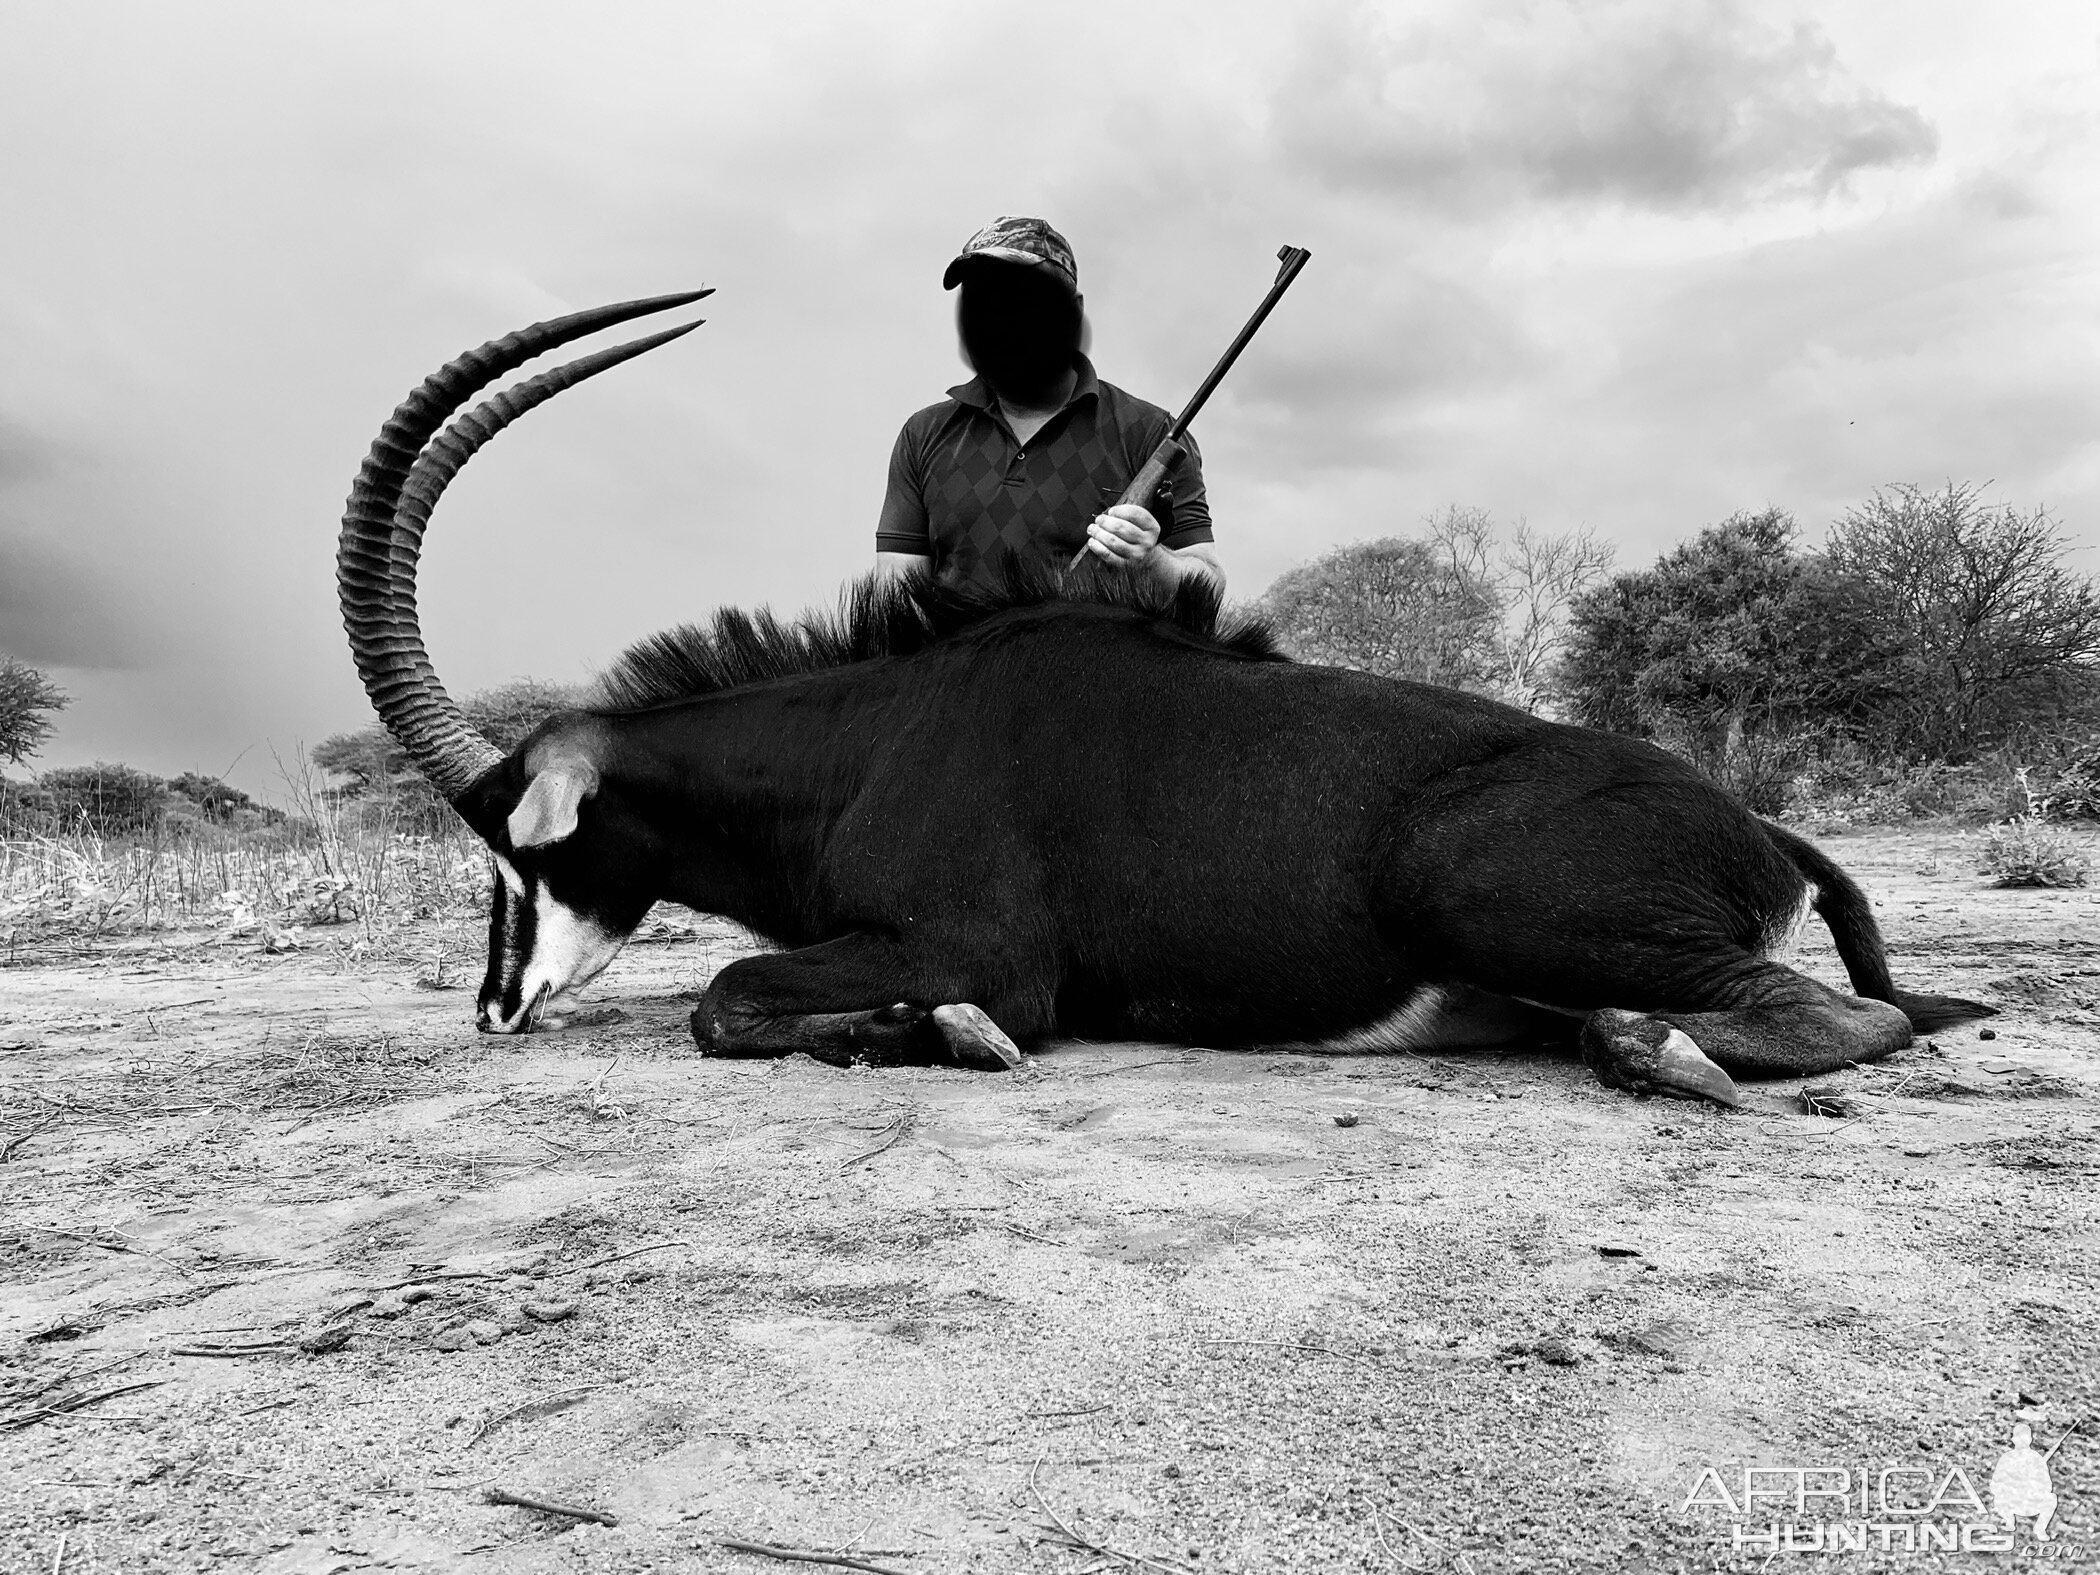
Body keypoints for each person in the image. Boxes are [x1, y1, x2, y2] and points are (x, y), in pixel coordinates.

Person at [874, 216, 1224, 595]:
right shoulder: (923, 435)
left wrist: (1152, 561)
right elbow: (894, 598)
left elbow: (1210, 585)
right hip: (955, 657)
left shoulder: (1150, 432)